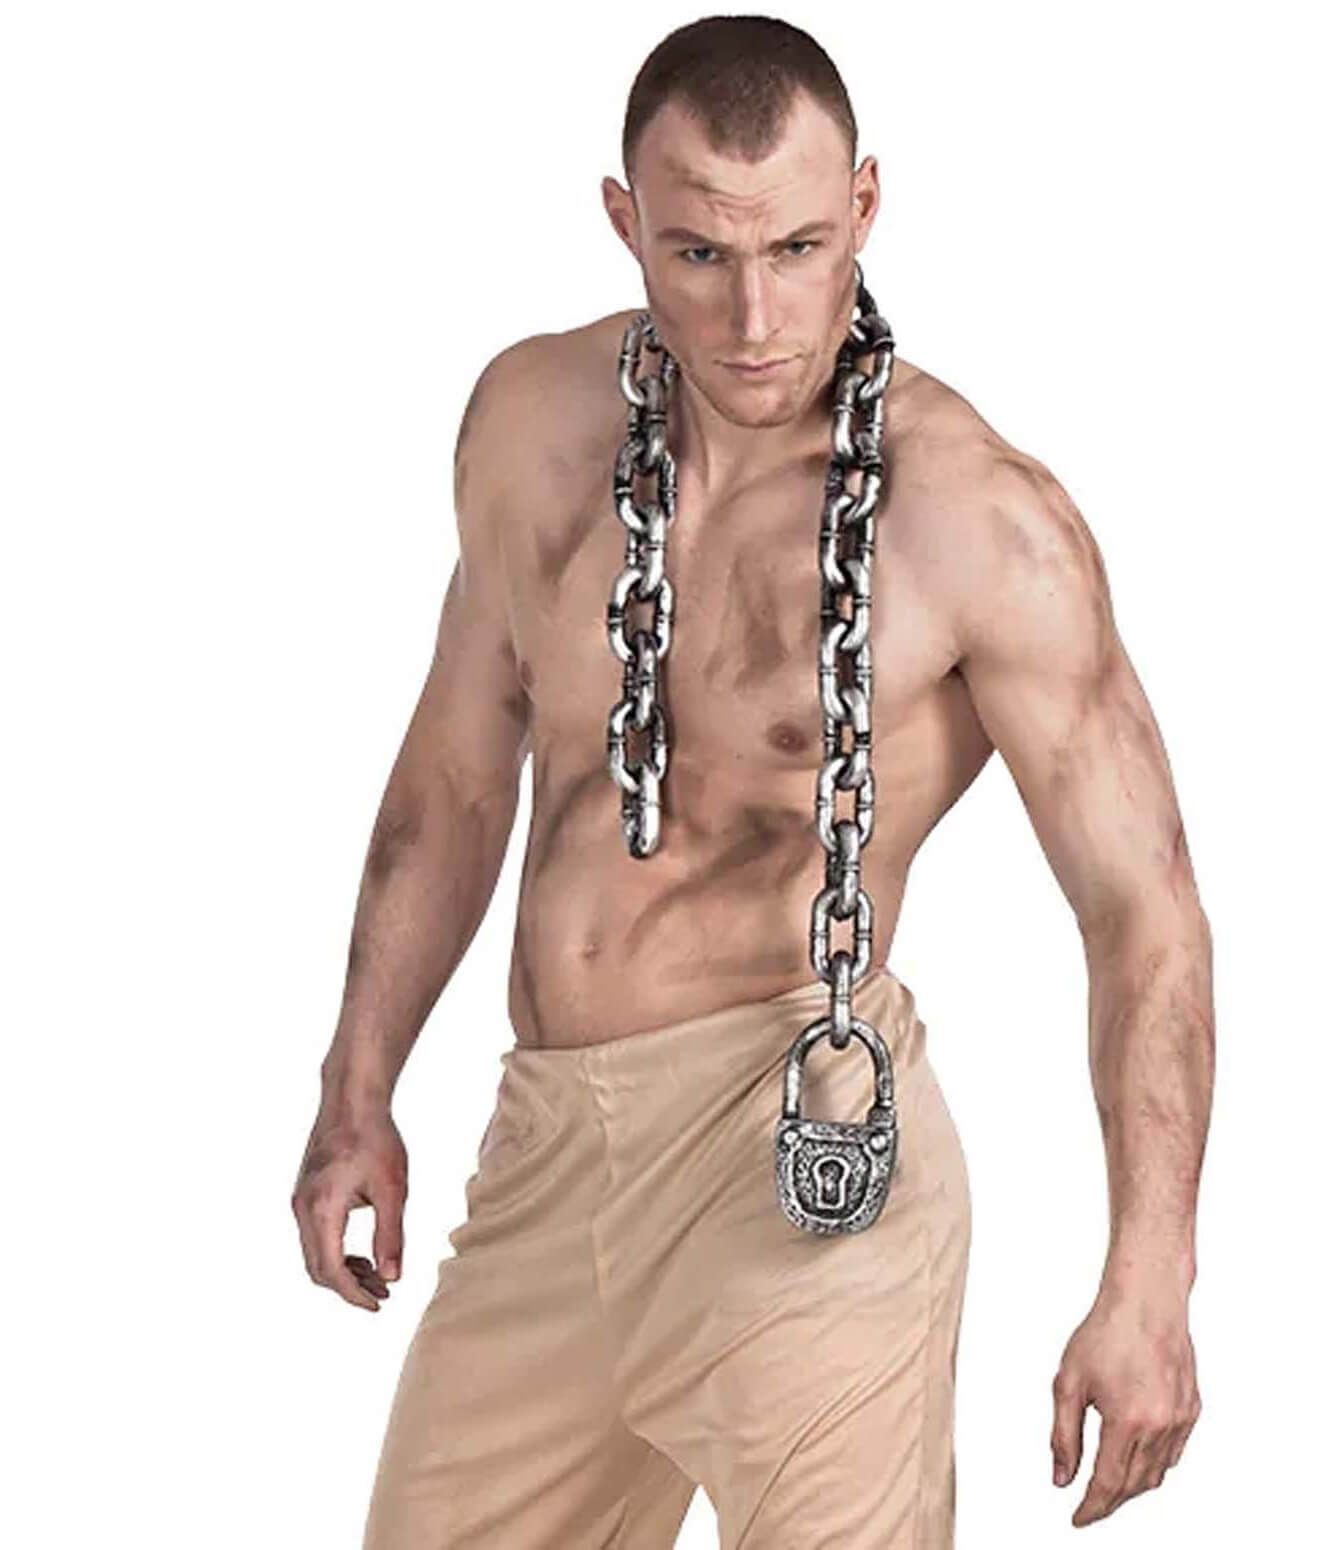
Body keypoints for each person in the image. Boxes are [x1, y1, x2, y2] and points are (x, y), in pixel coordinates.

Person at [291, 15, 1213, 1545]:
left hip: (803, 1154)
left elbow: (1144, 912)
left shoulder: (977, 522)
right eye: (700, 255)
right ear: (624, 223)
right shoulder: (529, 425)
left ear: (863, 205)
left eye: (797, 246)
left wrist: (1149, 1279)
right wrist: (355, 1087)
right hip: (544, 1148)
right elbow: (452, 779)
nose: (755, 316)